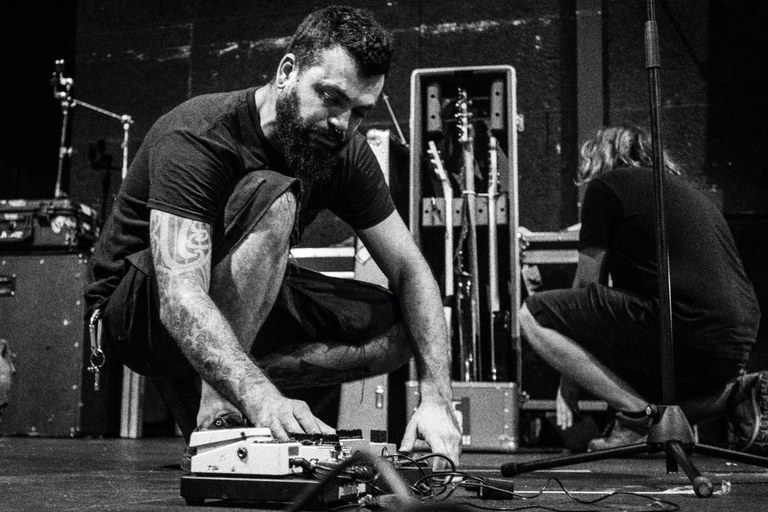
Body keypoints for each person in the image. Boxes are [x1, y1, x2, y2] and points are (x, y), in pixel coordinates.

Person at [84, 5, 461, 467]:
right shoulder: (200, 133)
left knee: (403, 331)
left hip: (227, 309)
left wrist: (437, 398)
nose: (342, 124)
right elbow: (179, 293)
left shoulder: (345, 151)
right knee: (276, 197)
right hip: (138, 315)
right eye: (331, 97)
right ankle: (221, 413)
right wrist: (262, 398)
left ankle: (216, 378)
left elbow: (410, 269)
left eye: (359, 112)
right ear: (287, 72)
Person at [520, 124, 765, 451]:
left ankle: (636, 418)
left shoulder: (607, 185)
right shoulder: (686, 191)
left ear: (602, 156)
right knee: (644, 372)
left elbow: (586, 285)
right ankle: (735, 395)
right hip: (736, 335)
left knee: (532, 315)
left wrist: (569, 383)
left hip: (685, 324)